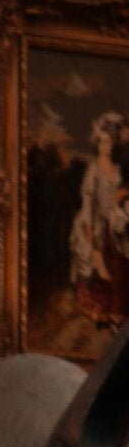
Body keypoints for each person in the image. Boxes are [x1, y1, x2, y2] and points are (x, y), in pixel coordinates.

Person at [71, 112, 129, 326]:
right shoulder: (93, 169)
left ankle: (117, 309)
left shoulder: (118, 170)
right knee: (99, 266)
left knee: (119, 266)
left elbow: (119, 196)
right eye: (103, 141)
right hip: (95, 223)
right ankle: (98, 309)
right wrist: (91, 236)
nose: (106, 146)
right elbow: (88, 202)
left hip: (114, 222)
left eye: (109, 142)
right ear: (97, 143)